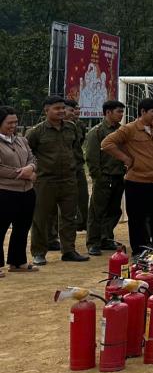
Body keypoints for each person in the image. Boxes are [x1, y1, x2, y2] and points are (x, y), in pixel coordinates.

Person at [100, 98, 153, 255]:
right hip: (136, 181)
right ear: (143, 112)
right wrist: (125, 158)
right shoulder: (129, 129)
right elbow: (106, 143)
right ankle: (140, 251)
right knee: (137, 219)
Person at [27, 96, 88, 264]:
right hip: (46, 180)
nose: (61, 111)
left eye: (62, 108)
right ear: (46, 111)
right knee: (41, 217)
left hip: (69, 179)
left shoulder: (71, 128)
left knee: (69, 217)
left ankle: (69, 250)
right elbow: (28, 154)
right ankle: (39, 252)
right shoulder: (36, 132)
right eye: (56, 108)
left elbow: (75, 148)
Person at [84, 100, 127, 256]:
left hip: (119, 176)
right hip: (104, 177)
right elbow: (91, 157)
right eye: (118, 112)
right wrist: (99, 177)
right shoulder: (96, 132)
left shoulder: (122, 131)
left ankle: (106, 237)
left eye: (122, 112)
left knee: (114, 210)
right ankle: (93, 242)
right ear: (108, 112)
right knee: (97, 211)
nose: (121, 115)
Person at [0, 106, 39, 275]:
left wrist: (31, 167)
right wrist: (23, 174)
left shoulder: (21, 140)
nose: (13, 126)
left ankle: (18, 262)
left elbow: (33, 158)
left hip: (26, 192)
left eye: (15, 122)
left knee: (22, 227)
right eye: (9, 122)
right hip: (5, 191)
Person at [64, 99, 89, 234]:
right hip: (64, 169)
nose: (77, 112)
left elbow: (79, 144)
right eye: (73, 109)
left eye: (78, 109)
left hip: (78, 167)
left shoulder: (79, 125)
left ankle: (82, 223)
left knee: (83, 197)